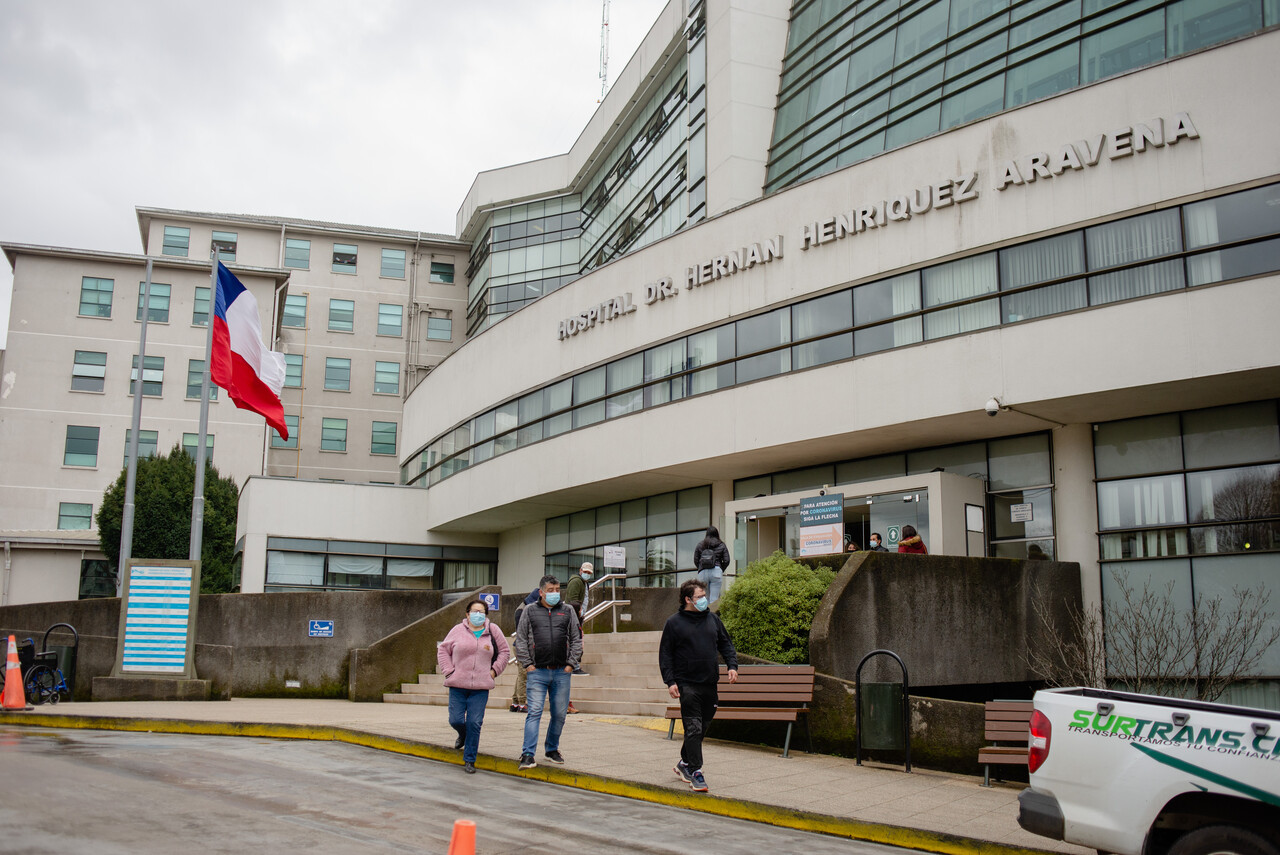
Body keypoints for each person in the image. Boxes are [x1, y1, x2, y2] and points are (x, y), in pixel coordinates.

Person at [658, 579, 738, 794]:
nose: (704, 600)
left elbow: (725, 643)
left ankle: (684, 763)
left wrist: (732, 665)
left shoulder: (712, 619)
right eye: (700, 596)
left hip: (709, 682)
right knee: (693, 727)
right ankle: (696, 771)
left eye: (704, 596)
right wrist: (670, 681)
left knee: (702, 727)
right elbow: (665, 654)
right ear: (688, 599)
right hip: (687, 684)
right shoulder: (674, 623)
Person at [513, 574, 582, 770]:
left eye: (557, 590)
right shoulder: (529, 611)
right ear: (541, 592)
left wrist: (570, 664)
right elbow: (521, 639)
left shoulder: (568, 611)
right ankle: (527, 754)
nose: (554, 594)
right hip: (537, 672)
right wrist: (528, 665)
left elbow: (576, 639)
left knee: (559, 714)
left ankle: (552, 749)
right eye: (550, 590)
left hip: (561, 672)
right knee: (534, 712)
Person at [437, 599, 510, 774]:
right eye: (474, 611)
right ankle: (462, 735)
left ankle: (470, 759)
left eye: (482, 612)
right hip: (457, 684)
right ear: (467, 614)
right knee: (455, 719)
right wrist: (449, 671)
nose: (478, 615)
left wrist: (493, 671)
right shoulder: (457, 630)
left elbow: (505, 652)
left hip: (481, 686)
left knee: (474, 722)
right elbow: (443, 650)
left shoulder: (493, 630)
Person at [509, 585, 541, 712]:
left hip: (520, 645)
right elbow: (522, 633)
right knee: (524, 675)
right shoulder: (523, 611)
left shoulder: (522, 608)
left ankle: (515, 702)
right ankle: (522, 703)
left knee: (520, 675)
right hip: (523, 647)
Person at [564, 562, 593, 679]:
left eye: (589, 573)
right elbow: (573, 600)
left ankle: (574, 665)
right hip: (574, 616)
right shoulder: (576, 581)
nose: (587, 574)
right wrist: (578, 612)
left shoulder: (584, 583)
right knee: (575, 640)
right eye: (585, 572)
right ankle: (574, 666)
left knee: (577, 640)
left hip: (578, 616)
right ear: (580, 570)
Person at [692, 526, 730, 603]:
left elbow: (696, 560)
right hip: (716, 571)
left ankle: (703, 614)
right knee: (714, 599)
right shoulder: (721, 545)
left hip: (703, 572)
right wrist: (720, 569)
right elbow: (727, 560)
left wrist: (701, 568)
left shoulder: (700, 545)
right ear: (717, 534)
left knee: (703, 599)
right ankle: (712, 614)